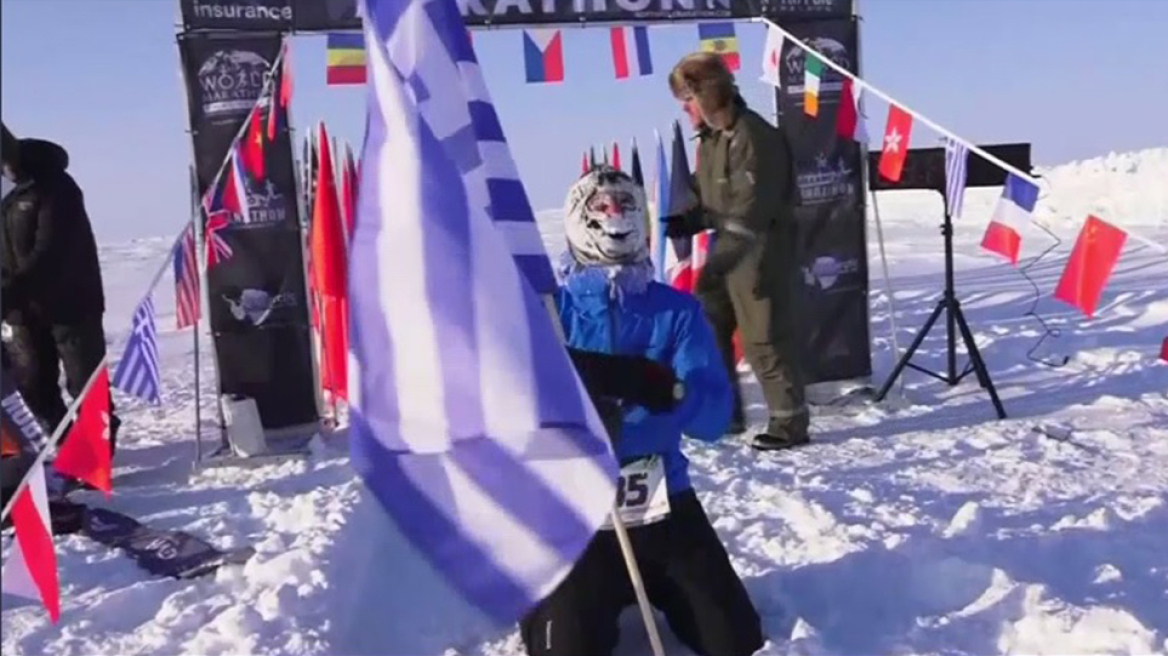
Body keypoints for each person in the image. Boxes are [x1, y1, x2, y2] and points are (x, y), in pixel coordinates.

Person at [520, 166, 764, 656]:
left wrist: (668, 394)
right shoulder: (548, 314)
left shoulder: (676, 311)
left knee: (736, 640)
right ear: (577, 217)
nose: (616, 215)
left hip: (665, 506)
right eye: (602, 206)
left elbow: (713, 417)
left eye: (626, 204)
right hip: (579, 518)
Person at [663, 52, 809, 451]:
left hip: (760, 250)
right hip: (729, 248)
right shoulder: (712, 140)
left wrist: (719, 261)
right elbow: (712, 194)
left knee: (763, 335)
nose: (685, 110)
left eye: (688, 100)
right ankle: (726, 412)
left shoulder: (754, 137)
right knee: (710, 325)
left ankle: (789, 421)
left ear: (706, 95)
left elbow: (750, 211)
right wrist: (688, 219)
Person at [0, 132, 120, 460]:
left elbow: (51, 252)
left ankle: (95, 460)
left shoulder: (56, 186)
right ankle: (70, 450)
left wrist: (10, 291)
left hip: (71, 305)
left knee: (85, 388)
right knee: (32, 388)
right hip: (21, 312)